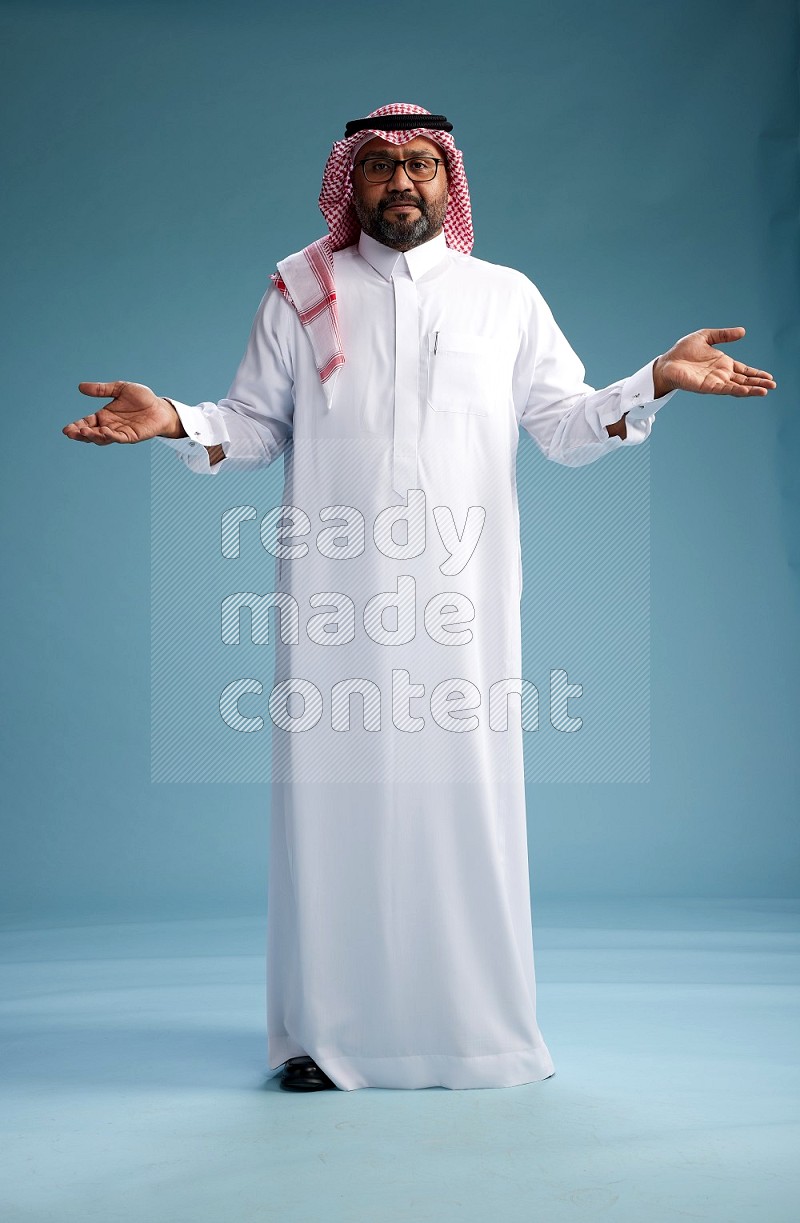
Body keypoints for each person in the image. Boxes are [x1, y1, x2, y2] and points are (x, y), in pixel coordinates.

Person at [62, 102, 776, 1094]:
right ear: (347, 182)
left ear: (450, 180)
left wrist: (653, 378)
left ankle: (477, 1035)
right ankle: (322, 1034)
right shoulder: (300, 289)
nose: (401, 181)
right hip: (332, 605)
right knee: (331, 811)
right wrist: (174, 417)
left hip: (461, 609)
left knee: (461, 809)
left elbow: (566, 427)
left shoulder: (505, 298)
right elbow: (255, 425)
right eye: (379, 166)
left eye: (420, 165)